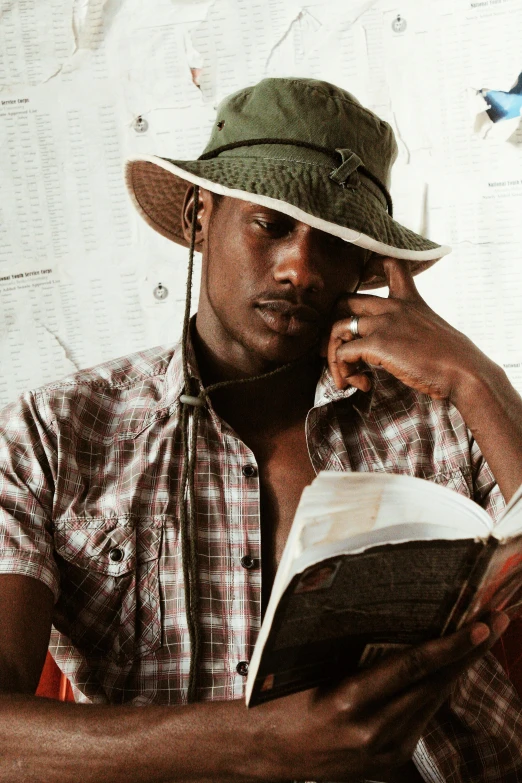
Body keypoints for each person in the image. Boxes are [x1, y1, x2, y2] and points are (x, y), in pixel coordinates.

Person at [0, 77, 521, 783]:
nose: (300, 268)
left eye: (332, 240)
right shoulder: (55, 434)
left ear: (366, 267)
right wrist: (258, 742)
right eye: (271, 223)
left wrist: (475, 376)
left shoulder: (441, 417)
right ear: (197, 217)